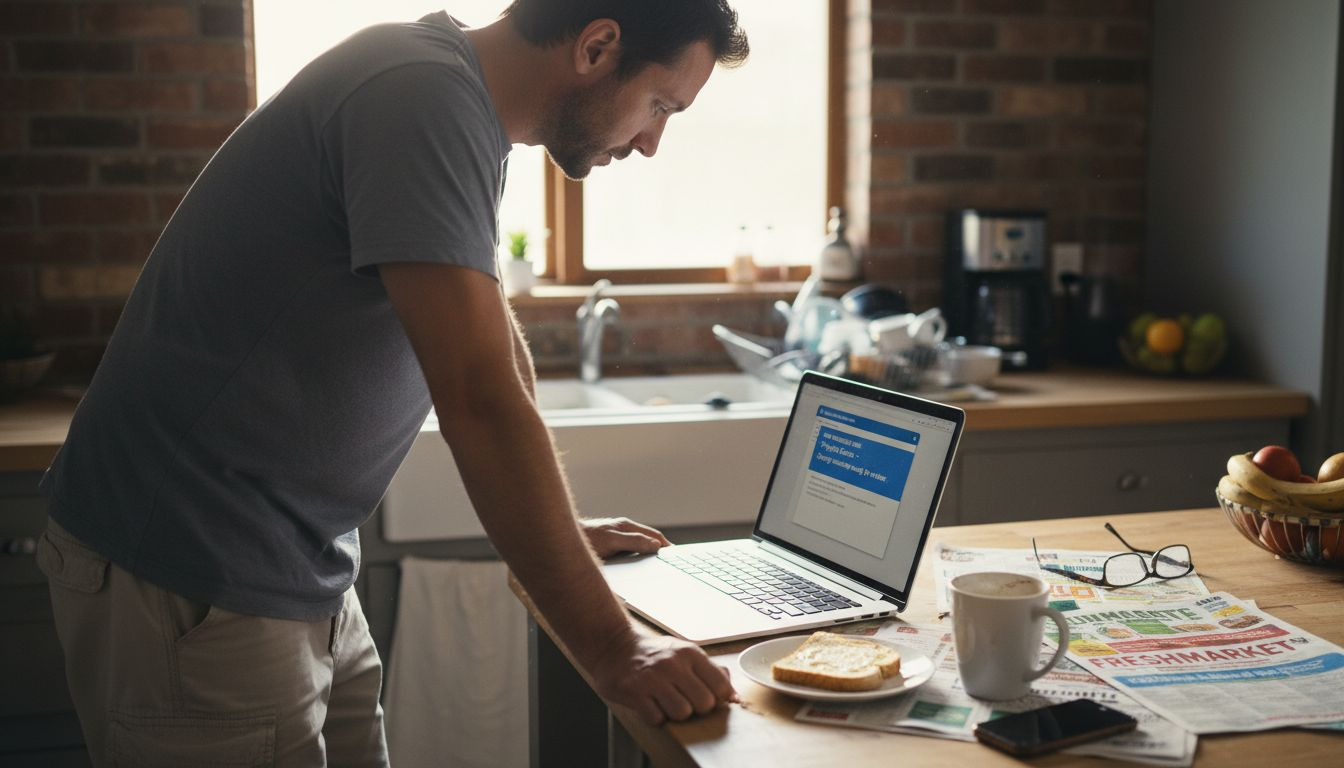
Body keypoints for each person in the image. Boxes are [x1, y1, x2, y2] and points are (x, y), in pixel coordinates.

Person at [35, 2, 750, 765]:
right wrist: (615, 649)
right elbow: (476, 394)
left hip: (293, 565)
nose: (650, 142)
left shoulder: (456, 103)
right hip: (193, 573)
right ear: (597, 46)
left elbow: (493, 345)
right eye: (660, 106)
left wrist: (557, 541)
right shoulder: (419, 97)